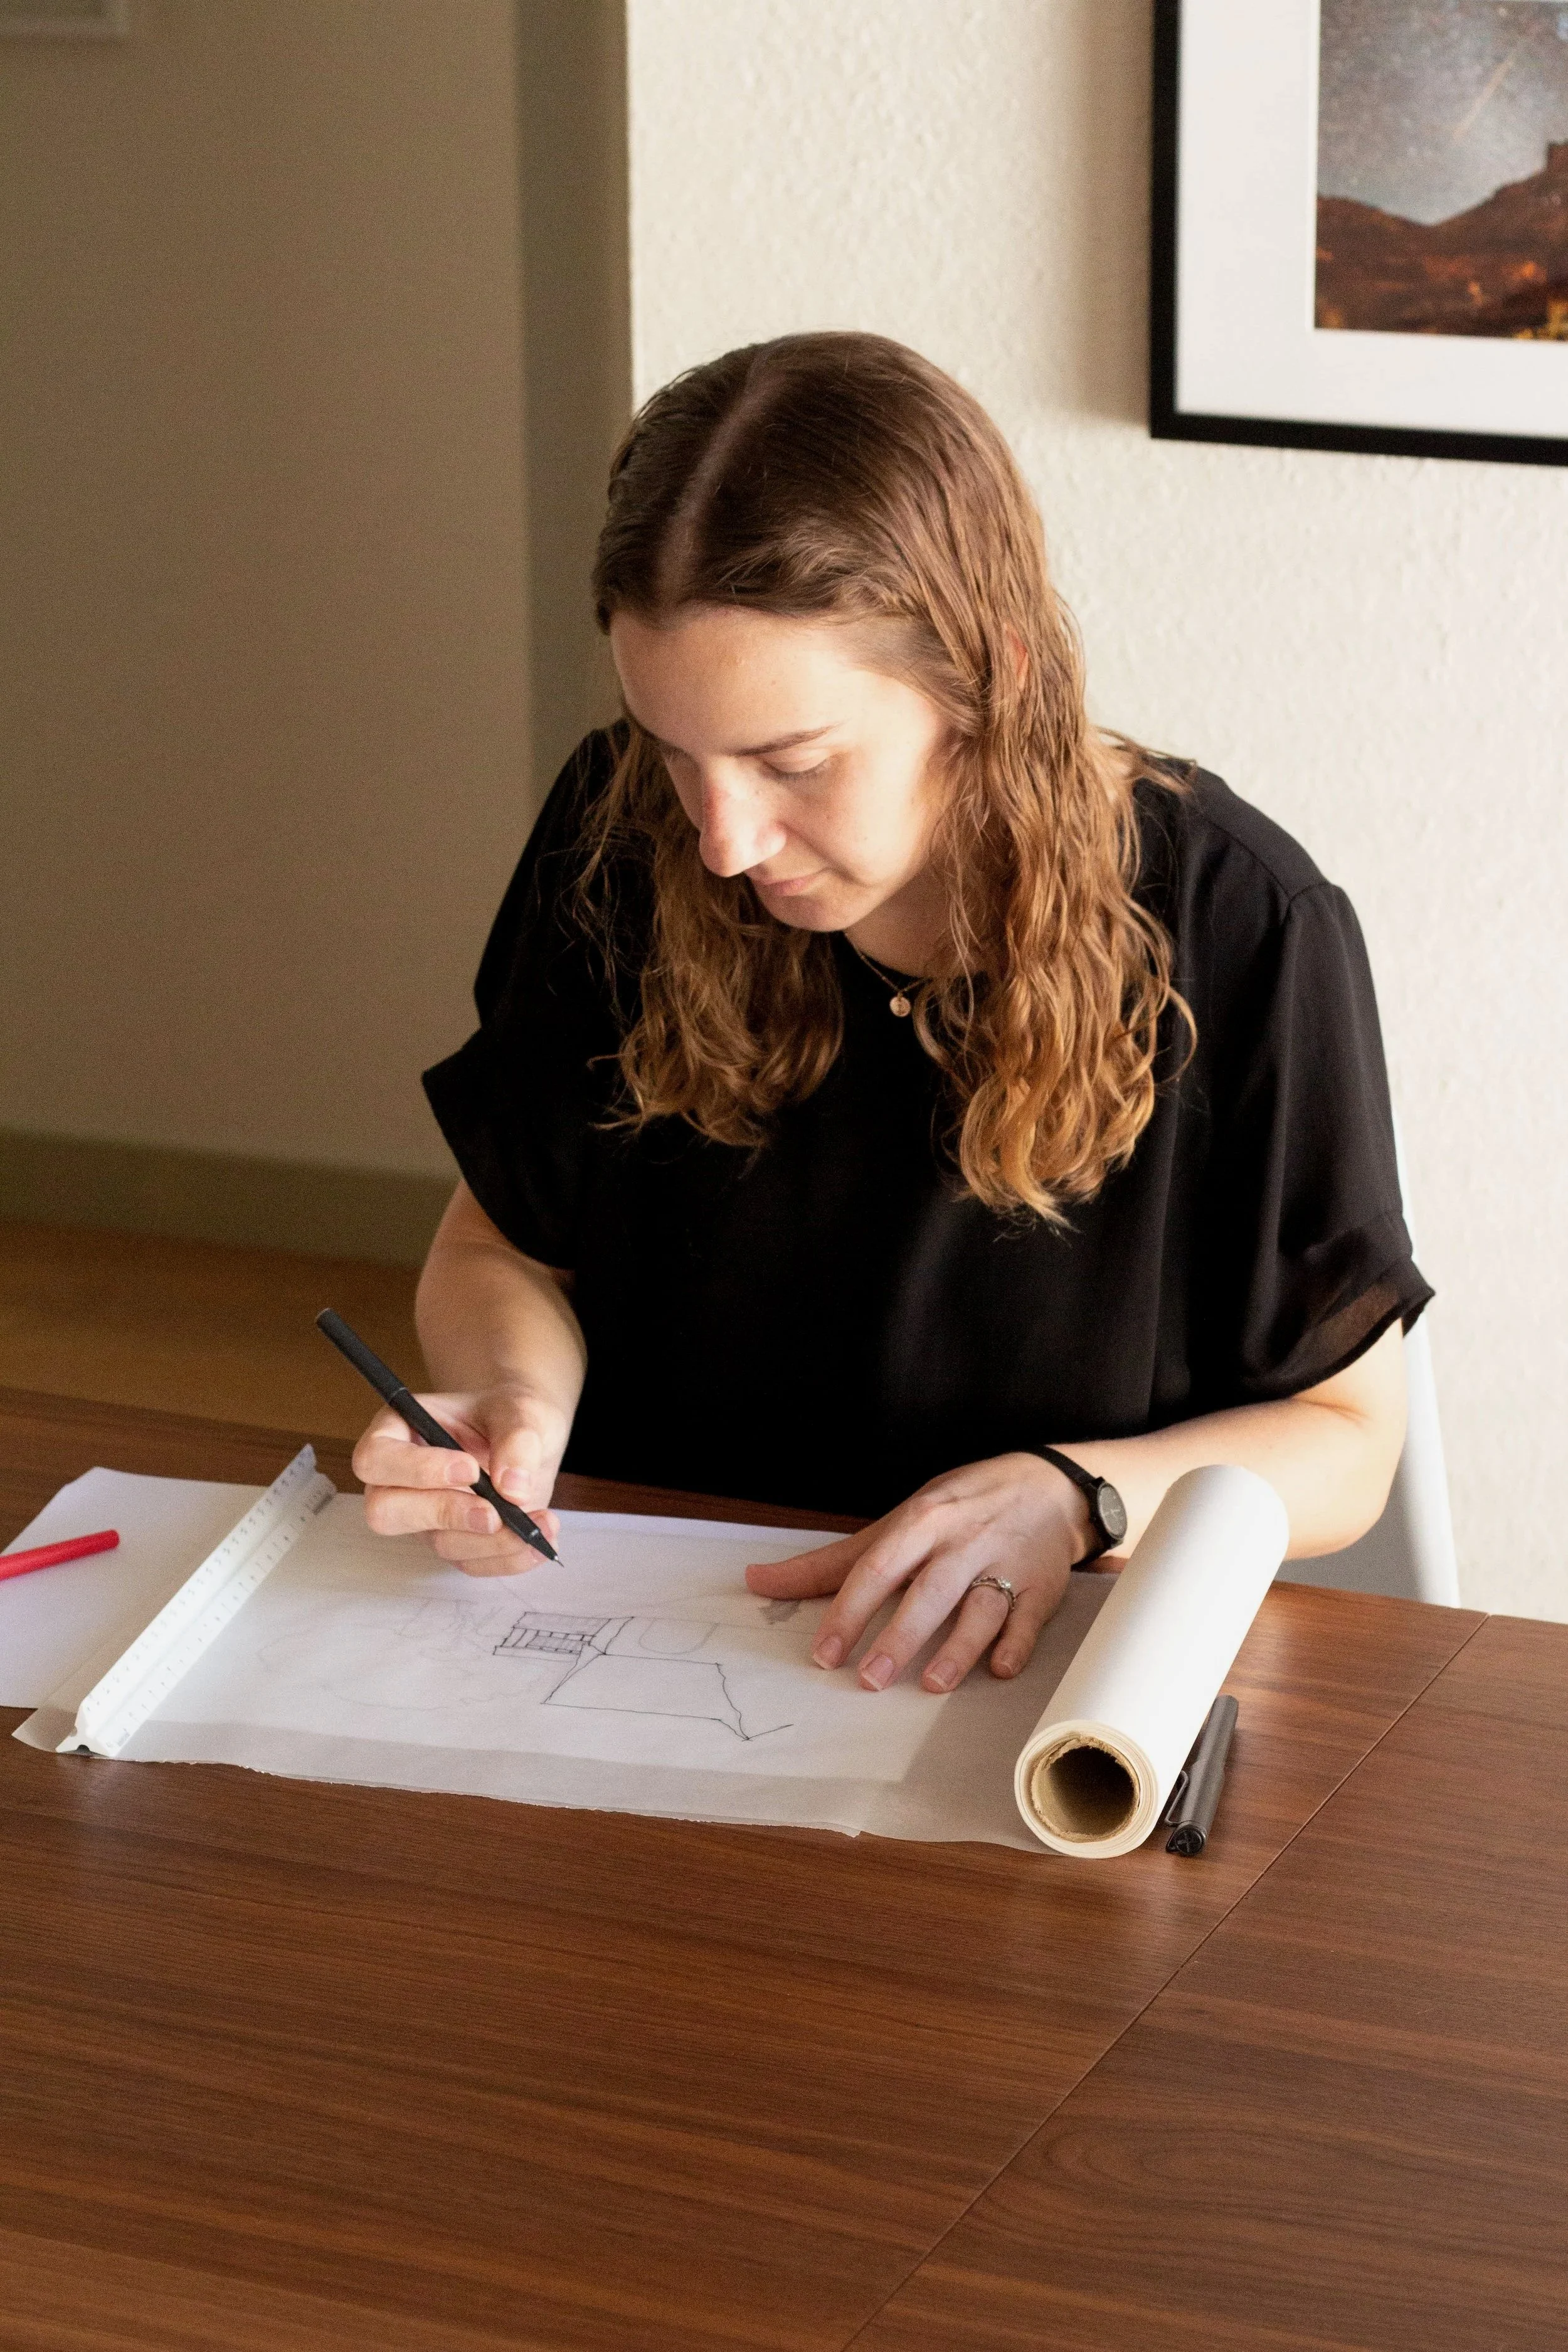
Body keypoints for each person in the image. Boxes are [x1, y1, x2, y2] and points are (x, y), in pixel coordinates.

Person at [352, 331, 1429, 1700]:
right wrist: (518, 1401)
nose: (725, 839)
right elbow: (497, 1247)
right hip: (649, 1643)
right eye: (673, 752)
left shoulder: (1236, 925)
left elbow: (1343, 1439)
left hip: (1018, 1675)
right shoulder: (621, 837)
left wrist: (1076, 1498)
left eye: (790, 762)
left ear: (994, 678)